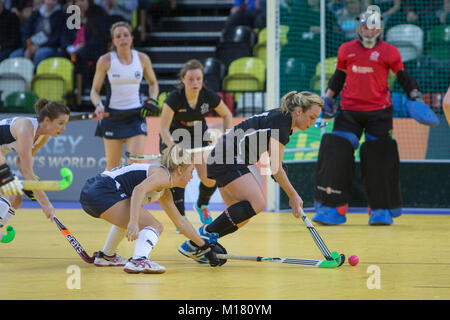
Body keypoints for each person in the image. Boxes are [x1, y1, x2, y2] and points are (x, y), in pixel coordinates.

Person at [178, 91, 324, 263]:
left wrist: (286, 184)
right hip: (227, 158)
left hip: (229, 159)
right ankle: (202, 238)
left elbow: (277, 164)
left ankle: (197, 245)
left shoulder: (282, 119)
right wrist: (293, 195)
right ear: (299, 111)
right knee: (258, 202)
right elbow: (275, 168)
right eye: (311, 117)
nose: (312, 123)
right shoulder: (282, 122)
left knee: (242, 217)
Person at [312, 5, 425, 226]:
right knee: (336, 152)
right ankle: (334, 207)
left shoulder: (390, 52)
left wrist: (415, 94)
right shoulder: (346, 49)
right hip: (349, 112)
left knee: (378, 159)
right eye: (365, 26)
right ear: (359, 27)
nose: (369, 31)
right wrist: (328, 98)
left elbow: (402, 76)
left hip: (379, 114)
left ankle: (379, 209)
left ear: (380, 29)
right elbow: (338, 76)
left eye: (373, 27)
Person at [79, 144, 226, 273]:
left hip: (92, 192)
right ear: (180, 170)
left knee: (133, 213)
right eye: (191, 171)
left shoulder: (165, 190)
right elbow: (138, 190)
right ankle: (139, 260)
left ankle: (107, 256)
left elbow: (180, 222)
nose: (192, 176)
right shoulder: (162, 175)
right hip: (102, 191)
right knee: (154, 225)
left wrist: (204, 246)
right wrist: (134, 221)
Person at [90, 20, 159, 266]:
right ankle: (119, 212)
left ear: (131, 37)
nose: (123, 38)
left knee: (136, 165)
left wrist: (152, 99)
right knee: (112, 168)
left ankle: (133, 214)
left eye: (126, 34)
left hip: (136, 116)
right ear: (113, 40)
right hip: (112, 117)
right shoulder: (106, 61)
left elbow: (153, 83)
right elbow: (95, 91)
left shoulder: (143, 59)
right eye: (118, 35)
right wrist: (98, 105)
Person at [159, 59, 233, 228]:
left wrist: (227, 135)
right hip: (175, 136)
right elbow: (163, 128)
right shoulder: (174, 98)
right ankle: (181, 218)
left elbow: (227, 115)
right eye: (191, 79)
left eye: (198, 79)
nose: (195, 83)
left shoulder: (207, 95)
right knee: (179, 176)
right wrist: (172, 148)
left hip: (199, 134)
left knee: (210, 178)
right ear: (183, 79)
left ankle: (202, 205)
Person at [0, 98, 70, 231]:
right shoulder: (26, 129)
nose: (64, 128)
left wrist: (33, 183)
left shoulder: (44, 135)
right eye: (61, 123)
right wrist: (46, 203)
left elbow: (21, 163)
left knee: (16, 200)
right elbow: (27, 170)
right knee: (10, 192)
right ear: (47, 120)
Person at [60, 0, 109, 93]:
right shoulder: (71, 17)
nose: (80, 4)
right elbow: (64, 36)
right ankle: (66, 89)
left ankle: (84, 87)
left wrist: (83, 46)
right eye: (78, 1)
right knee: (61, 54)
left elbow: (100, 37)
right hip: (73, 50)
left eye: (83, 1)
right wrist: (68, 47)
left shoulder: (98, 14)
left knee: (82, 54)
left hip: (93, 48)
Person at [9, 0, 65, 66]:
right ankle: (20, 75)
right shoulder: (36, 13)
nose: (49, 2)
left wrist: (39, 46)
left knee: (40, 54)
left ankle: (35, 75)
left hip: (49, 46)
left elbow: (57, 38)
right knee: (14, 55)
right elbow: (26, 33)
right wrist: (28, 47)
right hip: (31, 45)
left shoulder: (61, 15)